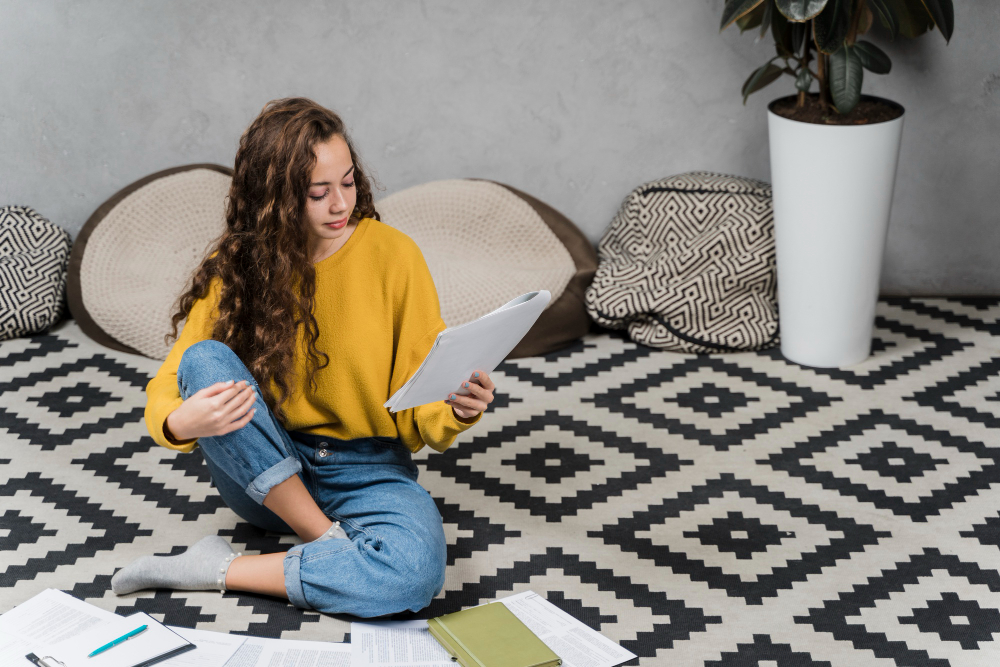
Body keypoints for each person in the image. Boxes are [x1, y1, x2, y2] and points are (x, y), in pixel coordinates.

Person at [110, 97, 494, 617]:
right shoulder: (237, 265)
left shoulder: (394, 256)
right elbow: (174, 377)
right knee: (205, 359)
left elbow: (417, 391)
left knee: (414, 577)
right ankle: (328, 541)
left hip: (369, 472)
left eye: (349, 182)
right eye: (318, 192)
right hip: (266, 473)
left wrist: (455, 408)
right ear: (275, 199)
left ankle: (217, 569)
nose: (340, 204)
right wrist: (182, 421)